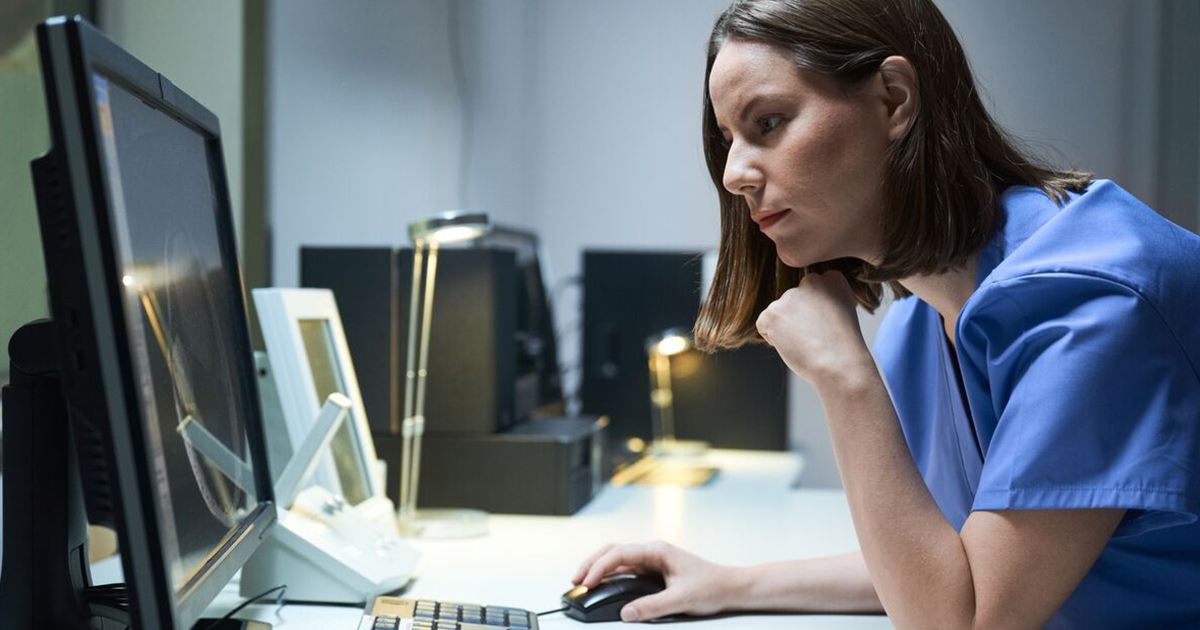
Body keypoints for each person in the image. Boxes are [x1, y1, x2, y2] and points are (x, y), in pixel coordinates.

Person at [571, 0, 1200, 627]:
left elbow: (963, 619)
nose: (734, 173)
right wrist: (729, 583)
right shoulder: (920, 322)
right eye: (728, 139)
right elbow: (949, 568)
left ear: (893, 99)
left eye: (768, 122)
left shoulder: (1091, 305)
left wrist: (845, 378)